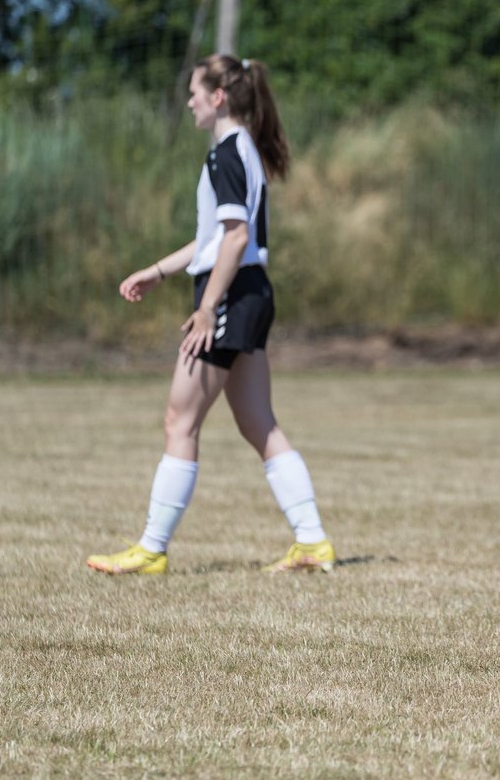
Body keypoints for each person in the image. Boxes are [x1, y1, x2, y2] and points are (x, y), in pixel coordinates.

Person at [87, 54, 336, 576]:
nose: (190, 101)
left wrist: (205, 309)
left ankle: (151, 549)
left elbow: (237, 237)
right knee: (259, 424)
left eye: (195, 91)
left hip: (229, 295)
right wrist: (159, 269)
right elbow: (217, 237)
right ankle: (312, 543)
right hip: (249, 292)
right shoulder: (242, 149)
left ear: (218, 95)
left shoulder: (225, 153)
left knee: (180, 419)